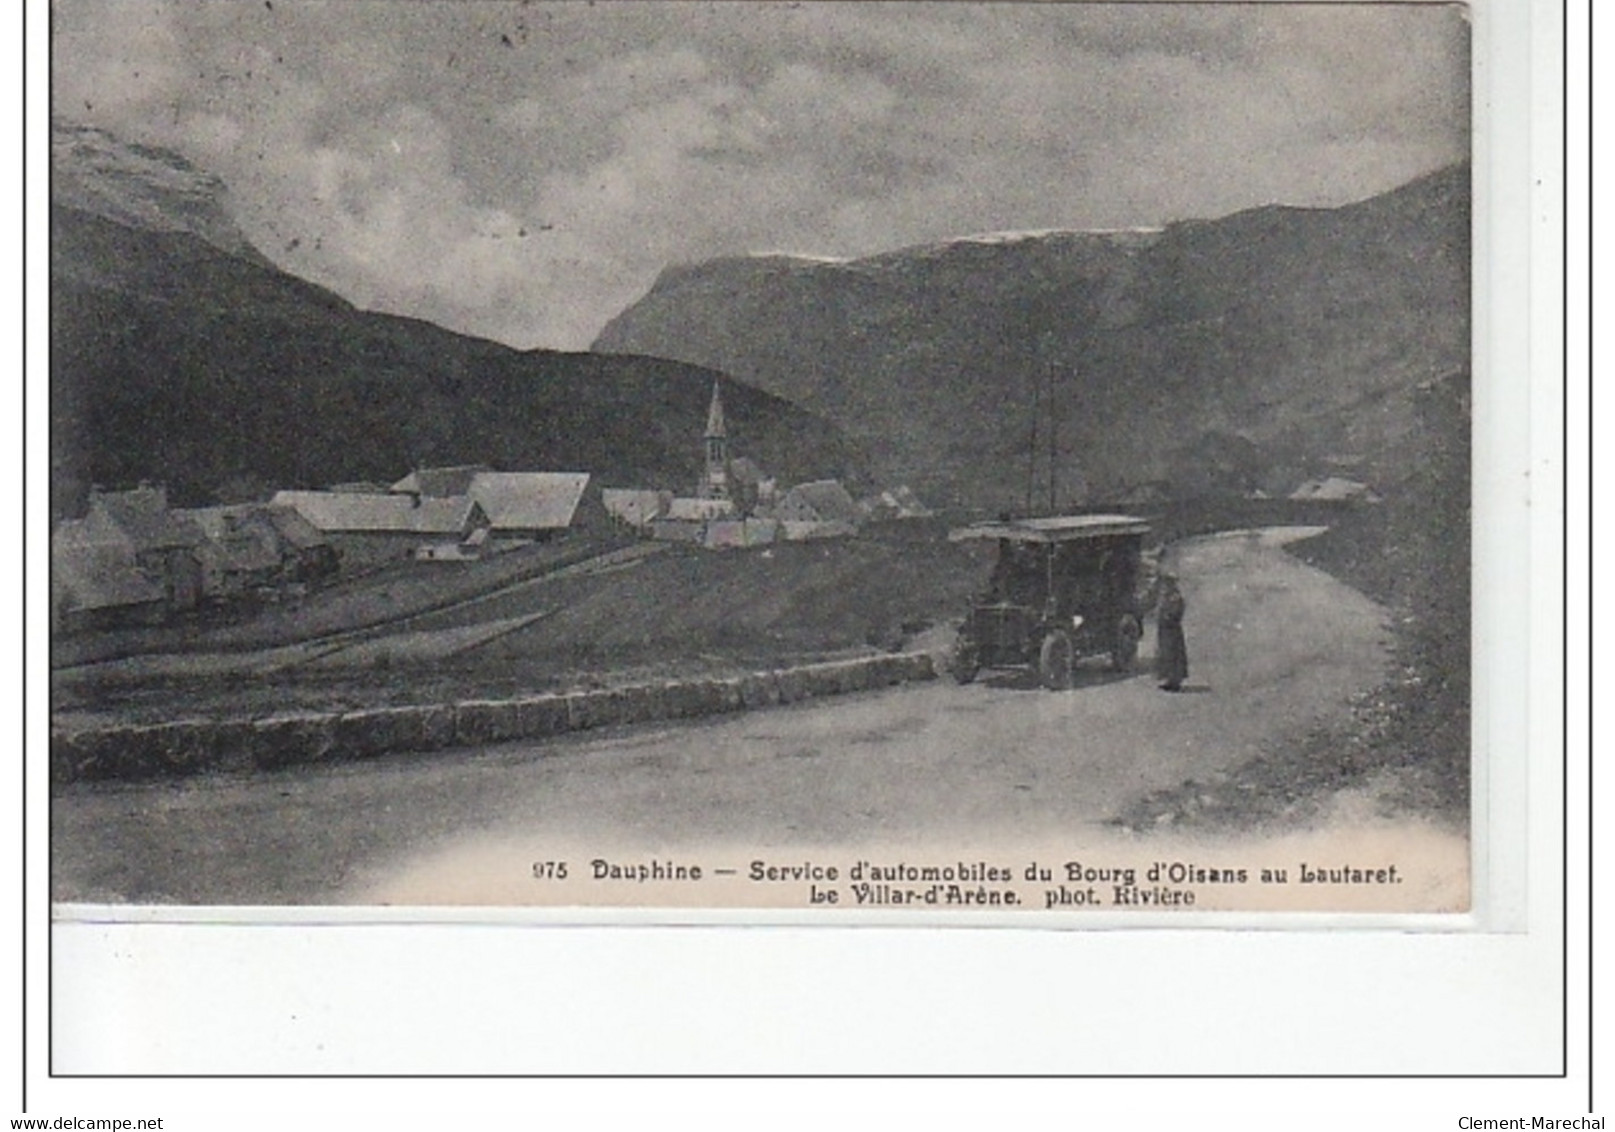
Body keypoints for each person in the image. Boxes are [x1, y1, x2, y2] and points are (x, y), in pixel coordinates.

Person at [1156, 574, 1188, 691]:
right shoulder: (1165, 596)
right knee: (1166, 654)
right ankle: (1169, 680)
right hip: (1165, 630)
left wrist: (1168, 617)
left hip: (1172, 630)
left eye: (1167, 584)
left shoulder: (1175, 596)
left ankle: (1175, 681)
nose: (1164, 587)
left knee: (1173, 655)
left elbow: (1177, 611)